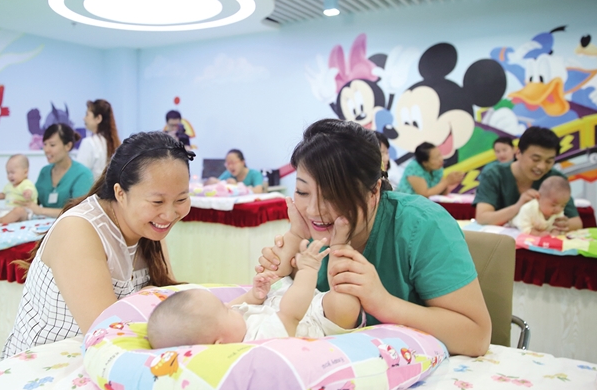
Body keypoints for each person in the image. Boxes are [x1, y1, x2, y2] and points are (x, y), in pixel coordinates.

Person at [257, 119, 491, 357]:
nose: (313, 210)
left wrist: (383, 303)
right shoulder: (311, 228)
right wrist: (285, 262)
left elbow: (477, 337)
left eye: (333, 195)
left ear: (374, 191)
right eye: (303, 191)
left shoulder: (423, 225)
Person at [1, 131, 195, 358]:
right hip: (45, 364)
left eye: (181, 199)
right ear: (120, 193)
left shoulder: (149, 229)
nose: (169, 214)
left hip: (104, 358)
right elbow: (108, 336)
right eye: (157, 201)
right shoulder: (79, 230)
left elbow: (167, 303)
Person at [148, 238, 360, 348]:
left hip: (281, 301)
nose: (230, 306)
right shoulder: (257, 341)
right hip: (313, 317)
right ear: (220, 345)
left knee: (276, 269)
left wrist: (254, 295)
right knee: (345, 301)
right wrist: (308, 270)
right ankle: (341, 242)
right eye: (225, 310)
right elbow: (292, 314)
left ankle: (296, 230)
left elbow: (237, 305)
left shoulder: (227, 328)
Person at [474, 126, 582, 231]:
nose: (541, 166)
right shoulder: (493, 174)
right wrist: (518, 206)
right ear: (518, 153)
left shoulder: (555, 179)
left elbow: (576, 222)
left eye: (549, 161)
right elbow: (483, 219)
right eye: (535, 159)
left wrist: (559, 224)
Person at [14, 124, 94, 220]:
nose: (46, 150)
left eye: (52, 145)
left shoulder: (83, 174)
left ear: (68, 146)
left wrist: (41, 211)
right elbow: (34, 202)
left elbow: (79, 211)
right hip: (42, 225)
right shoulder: (44, 171)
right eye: (45, 144)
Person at [0, 154, 38, 225]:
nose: (10, 176)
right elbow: (3, 195)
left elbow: (30, 191)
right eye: (8, 173)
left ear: (25, 172)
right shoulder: (9, 185)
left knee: (19, 211)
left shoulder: (26, 183)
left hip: (25, 211)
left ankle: (0, 220)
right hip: (9, 210)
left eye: (12, 172)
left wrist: (28, 193)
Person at [395, 142, 464, 196]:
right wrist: (447, 181)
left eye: (440, 155)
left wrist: (452, 181)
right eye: (436, 158)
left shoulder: (437, 167)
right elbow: (424, 194)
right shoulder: (414, 168)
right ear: (425, 162)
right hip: (405, 204)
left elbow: (441, 192)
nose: (440, 159)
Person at [77, 99, 121, 180]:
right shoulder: (116, 144)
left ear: (98, 118)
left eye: (87, 114)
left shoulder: (89, 143)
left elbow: (79, 175)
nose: (84, 118)